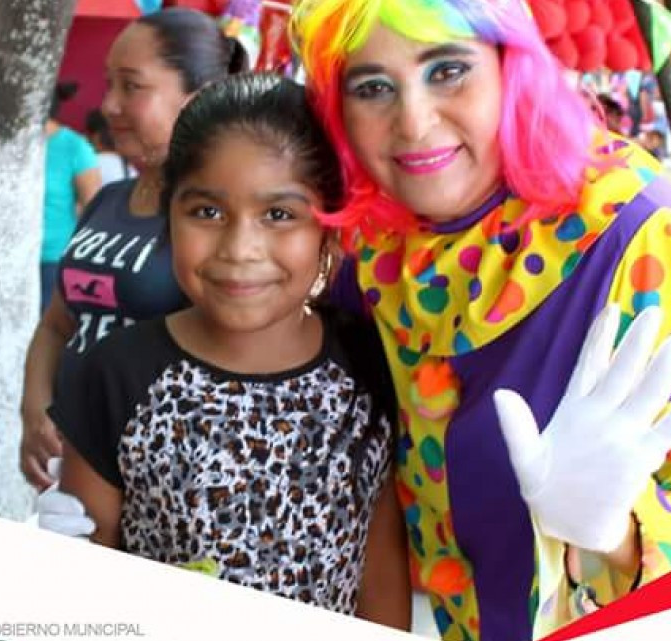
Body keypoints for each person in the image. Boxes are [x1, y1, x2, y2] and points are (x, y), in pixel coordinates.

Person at [291, 1, 671, 638]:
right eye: (374, 87)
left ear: (513, 70)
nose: (412, 123)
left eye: (448, 71)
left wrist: (622, 534)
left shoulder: (640, 242)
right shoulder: (380, 249)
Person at [51, 73, 411, 628]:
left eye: (279, 215)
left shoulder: (370, 362)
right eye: (208, 213)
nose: (240, 249)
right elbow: (85, 584)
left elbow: (380, 579)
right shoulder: (117, 373)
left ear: (329, 228)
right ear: (168, 216)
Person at [19, 8, 247, 490]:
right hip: (70, 471)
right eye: (109, 85)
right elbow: (58, 325)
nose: (109, 105)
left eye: (132, 86)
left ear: (198, 98)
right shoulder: (108, 199)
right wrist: (35, 411)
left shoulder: (220, 219)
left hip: (161, 484)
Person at [41, 81, 102, 312]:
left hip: (53, 260)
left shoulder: (74, 147)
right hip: (10, 256)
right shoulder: (10, 145)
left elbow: (93, 209)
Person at [83, 108, 137, 187]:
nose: (84, 137)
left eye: (86, 133)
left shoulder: (86, 167)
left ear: (96, 137)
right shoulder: (132, 172)